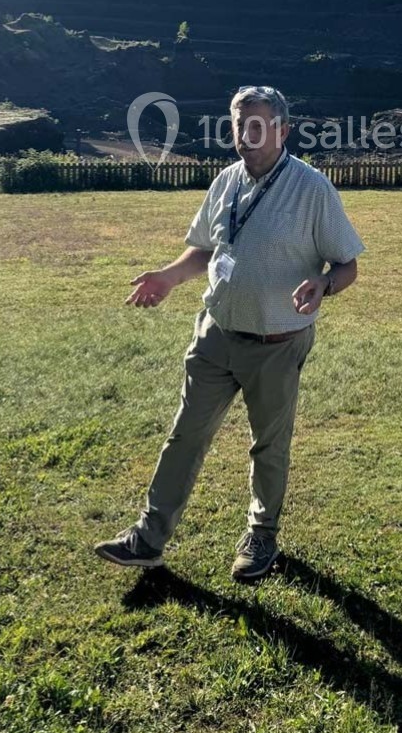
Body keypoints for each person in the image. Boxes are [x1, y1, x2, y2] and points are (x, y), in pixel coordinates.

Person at [95, 85, 365, 581]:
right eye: (240, 124)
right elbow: (205, 249)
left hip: (276, 343)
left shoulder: (312, 190)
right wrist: (168, 277)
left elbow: (347, 264)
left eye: (259, 125)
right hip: (215, 334)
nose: (247, 135)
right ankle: (148, 538)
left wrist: (324, 284)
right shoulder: (225, 182)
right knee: (184, 437)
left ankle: (261, 536)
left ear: (283, 130)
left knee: (269, 444)